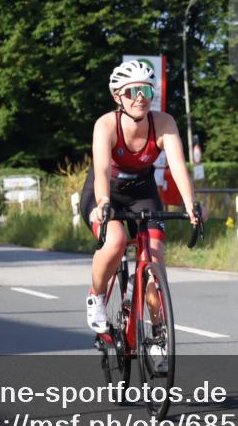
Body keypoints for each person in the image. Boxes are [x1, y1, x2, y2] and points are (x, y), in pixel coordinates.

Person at [80, 60, 203, 339]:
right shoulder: (106, 125)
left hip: (142, 193)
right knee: (115, 242)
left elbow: (179, 167)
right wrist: (102, 204)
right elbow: (100, 171)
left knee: (154, 262)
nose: (139, 98)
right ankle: (96, 296)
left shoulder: (163, 123)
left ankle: (159, 333)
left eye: (146, 91)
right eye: (132, 91)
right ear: (117, 97)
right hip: (105, 193)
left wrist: (190, 205)